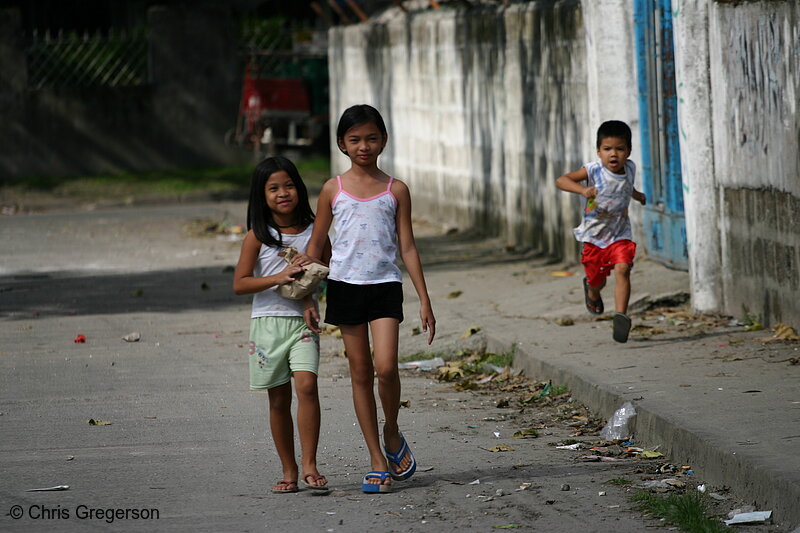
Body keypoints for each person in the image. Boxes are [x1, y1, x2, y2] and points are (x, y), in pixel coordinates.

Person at [305, 104, 436, 493]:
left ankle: (391, 429)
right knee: (360, 374)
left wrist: (424, 300)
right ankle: (377, 458)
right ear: (342, 144)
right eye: (355, 139)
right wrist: (309, 296)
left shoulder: (396, 190)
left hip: (384, 287)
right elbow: (317, 243)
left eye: (372, 138)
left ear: (384, 140)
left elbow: (408, 247)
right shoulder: (333, 189)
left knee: (387, 368)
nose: (364, 146)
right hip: (344, 288)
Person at [233, 156, 332, 493]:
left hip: (303, 323)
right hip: (266, 325)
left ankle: (310, 465)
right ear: (261, 196)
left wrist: (309, 297)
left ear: (299, 188)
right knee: (278, 400)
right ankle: (288, 470)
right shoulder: (258, 236)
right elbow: (240, 283)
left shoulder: (314, 233)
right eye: (273, 188)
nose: (282, 193)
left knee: (307, 387)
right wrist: (277, 276)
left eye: (288, 185)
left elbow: (326, 272)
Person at [555, 120, 647, 343]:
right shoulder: (593, 170)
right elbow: (561, 180)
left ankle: (621, 317)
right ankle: (592, 292)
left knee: (623, 269)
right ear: (599, 151)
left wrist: (637, 195)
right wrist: (583, 189)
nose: (613, 154)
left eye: (619, 148)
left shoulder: (631, 168)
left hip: (620, 234)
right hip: (594, 238)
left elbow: (627, 186)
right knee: (597, 280)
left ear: (628, 151)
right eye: (607, 149)